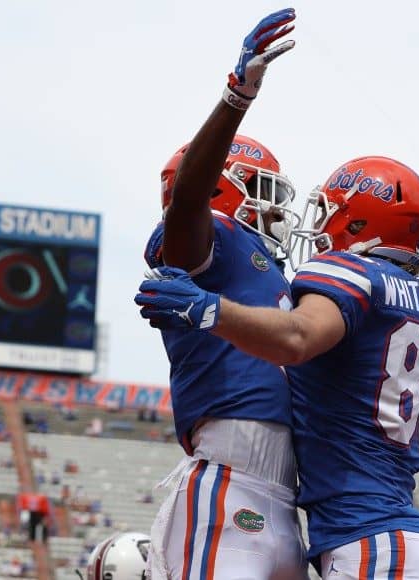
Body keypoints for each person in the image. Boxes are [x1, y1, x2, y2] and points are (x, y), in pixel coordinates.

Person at [137, 156, 419, 579]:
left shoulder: (351, 273)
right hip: (414, 540)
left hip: (370, 541)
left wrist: (209, 309)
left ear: (358, 225)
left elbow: (296, 337)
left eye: (330, 211)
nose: (316, 224)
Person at [139, 7, 306, 580]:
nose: (275, 208)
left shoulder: (267, 269)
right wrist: (237, 97)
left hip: (285, 498)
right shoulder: (209, 241)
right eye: (261, 191)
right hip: (231, 480)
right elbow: (187, 206)